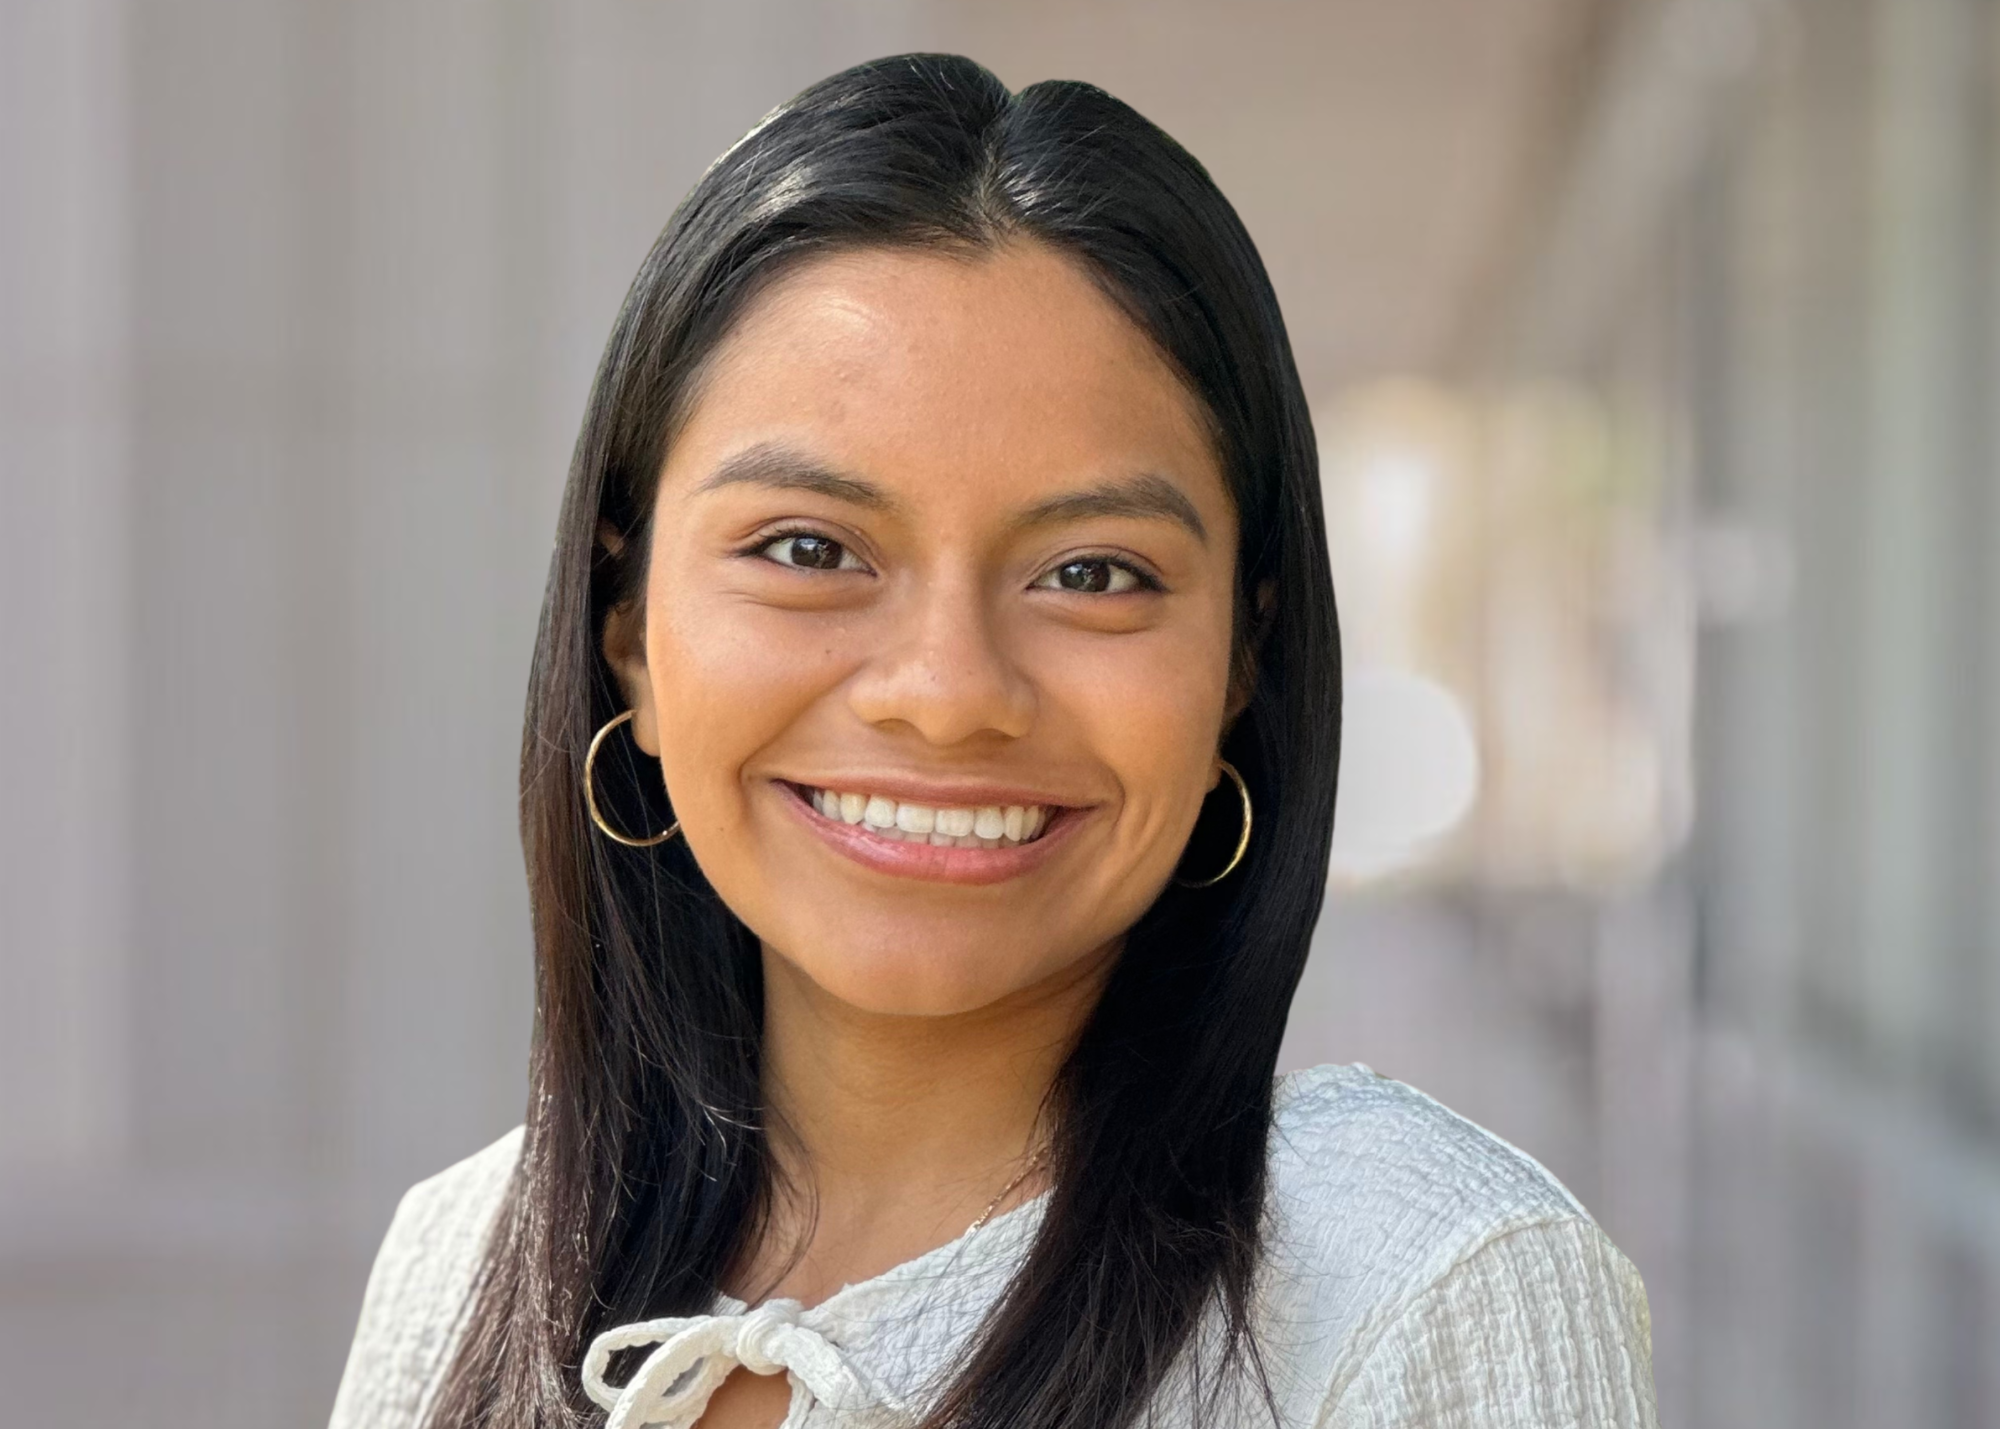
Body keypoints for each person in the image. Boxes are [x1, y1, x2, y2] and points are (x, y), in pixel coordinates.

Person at [327, 52, 1658, 1429]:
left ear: (1240, 674)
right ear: (628, 636)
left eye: (1091, 573)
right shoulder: (466, 1262)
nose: (948, 691)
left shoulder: (1413, 1293)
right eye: (808, 548)